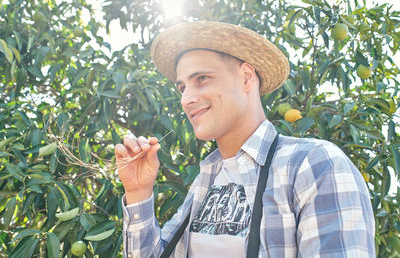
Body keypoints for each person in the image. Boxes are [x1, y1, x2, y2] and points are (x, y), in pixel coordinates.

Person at [114, 21, 375, 258]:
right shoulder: (207, 177)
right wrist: (138, 192)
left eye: (202, 79)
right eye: (182, 87)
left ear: (246, 77)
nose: (186, 99)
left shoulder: (314, 165)